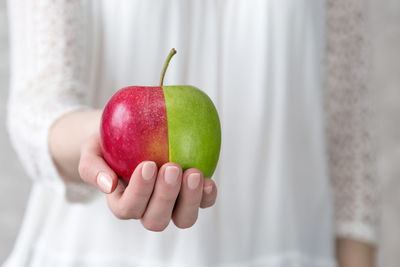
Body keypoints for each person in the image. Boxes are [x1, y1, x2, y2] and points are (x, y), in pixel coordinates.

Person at [5, 0, 376, 266]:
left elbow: (350, 142)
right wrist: (103, 141)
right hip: (96, 253)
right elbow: (38, 105)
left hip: (289, 244)